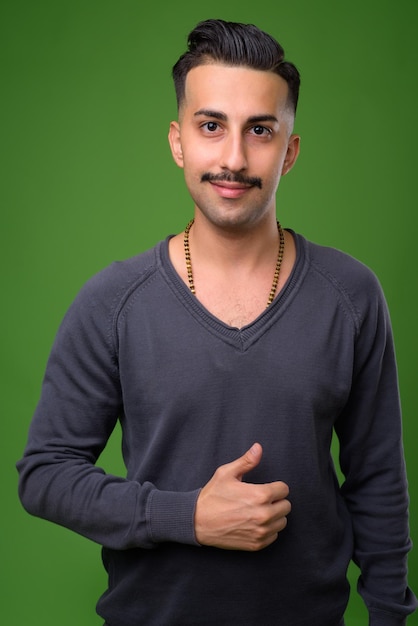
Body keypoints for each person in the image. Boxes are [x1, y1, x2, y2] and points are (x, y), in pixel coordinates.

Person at [17, 18, 417, 626]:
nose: (234, 158)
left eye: (260, 130)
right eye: (212, 127)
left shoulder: (351, 295)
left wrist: (389, 617)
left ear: (290, 149)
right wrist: (187, 517)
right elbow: (45, 476)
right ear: (178, 142)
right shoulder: (113, 301)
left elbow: (379, 480)